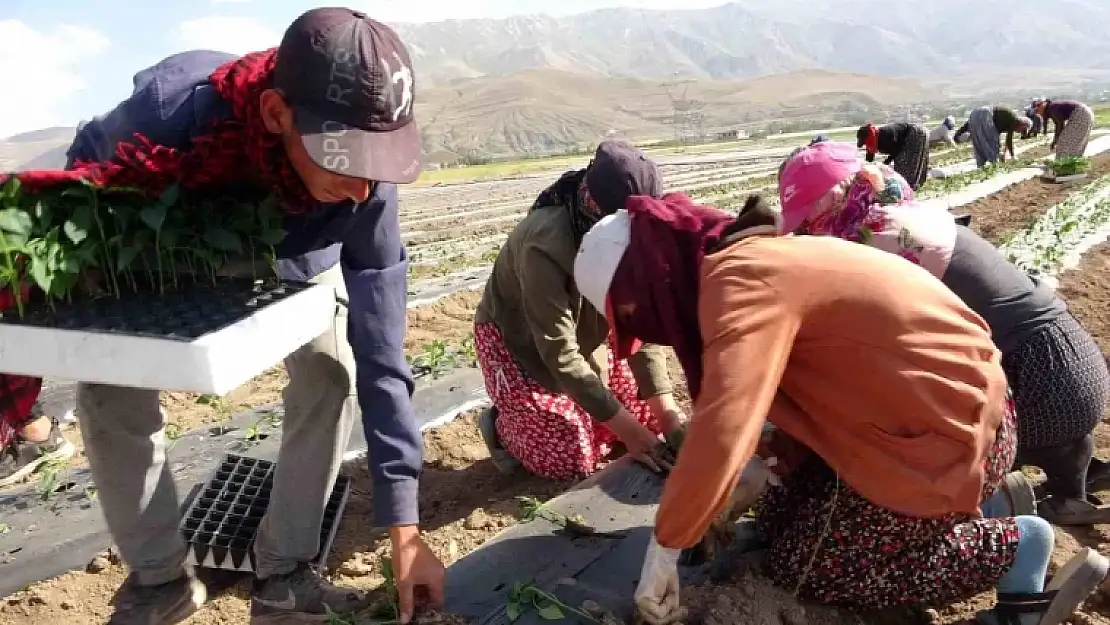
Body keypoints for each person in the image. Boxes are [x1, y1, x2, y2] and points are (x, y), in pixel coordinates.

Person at [9, 8, 445, 624]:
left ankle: (286, 575)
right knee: (110, 387)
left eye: (377, 168)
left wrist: (404, 524)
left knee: (332, 368)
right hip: (172, 229)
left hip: (293, 245)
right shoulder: (166, 120)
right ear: (274, 114)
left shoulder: (365, 177)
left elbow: (383, 341)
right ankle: (160, 580)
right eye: (341, 161)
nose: (362, 193)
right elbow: (80, 187)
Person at [571, 193, 1110, 625]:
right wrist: (757, 465)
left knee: (809, 568)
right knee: (783, 517)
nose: (644, 328)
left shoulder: (740, 281)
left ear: (648, 279)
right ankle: (978, 507)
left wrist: (667, 544)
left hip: (945, 436)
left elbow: (725, 419)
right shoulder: (751, 259)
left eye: (630, 313)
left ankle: (1010, 546)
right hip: (929, 418)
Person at [774, 141, 1110, 525]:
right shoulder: (897, 217)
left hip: (1038, 384)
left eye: (806, 220)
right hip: (1077, 363)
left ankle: (1006, 509)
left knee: (915, 477)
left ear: (827, 206)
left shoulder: (875, 248)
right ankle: (1072, 490)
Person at [473, 140, 684, 480]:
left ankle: (586, 415)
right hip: (521, 342)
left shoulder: (633, 235)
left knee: (645, 416)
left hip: (586, 332)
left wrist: (668, 416)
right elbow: (557, 350)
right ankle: (501, 427)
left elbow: (643, 325)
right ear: (594, 205)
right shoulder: (544, 242)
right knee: (569, 455)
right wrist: (630, 434)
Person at [855, 122, 929, 189]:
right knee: (902, 164)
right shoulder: (871, 141)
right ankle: (909, 185)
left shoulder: (884, 136)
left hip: (915, 133)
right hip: (904, 139)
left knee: (906, 162)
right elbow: (869, 160)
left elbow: (896, 150)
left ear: (869, 137)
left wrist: (884, 164)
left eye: (865, 142)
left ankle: (908, 186)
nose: (865, 144)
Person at [960, 105, 1032, 167]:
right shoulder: (1014, 119)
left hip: (974, 114)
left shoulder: (1009, 120)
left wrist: (958, 134)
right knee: (993, 143)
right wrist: (1012, 156)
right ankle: (995, 165)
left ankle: (981, 166)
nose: (1019, 132)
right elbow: (1009, 139)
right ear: (1023, 125)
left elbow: (1007, 140)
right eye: (1022, 130)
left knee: (979, 142)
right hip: (986, 114)